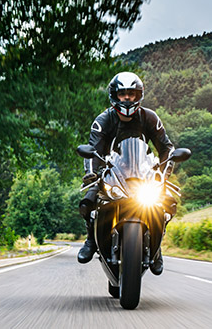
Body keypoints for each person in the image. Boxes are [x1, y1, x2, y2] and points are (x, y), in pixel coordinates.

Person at [77, 71, 176, 275]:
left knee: (169, 203)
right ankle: (91, 240)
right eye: (123, 94)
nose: (127, 98)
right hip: (111, 172)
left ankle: (156, 250)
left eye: (132, 93)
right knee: (87, 203)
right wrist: (91, 173)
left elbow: (167, 148)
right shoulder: (103, 120)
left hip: (144, 175)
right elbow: (93, 150)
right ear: (115, 95)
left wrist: (164, 174)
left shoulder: (150, 118)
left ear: (139, 95)